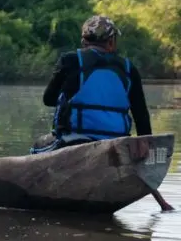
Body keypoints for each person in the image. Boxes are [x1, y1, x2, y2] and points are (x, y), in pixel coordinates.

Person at [31, 15, 152, 154]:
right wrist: (145, 141)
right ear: (111, 42)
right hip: (118, 139)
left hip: (74, 139)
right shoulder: (129, 68)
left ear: (84, 41)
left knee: (37, 146)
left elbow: (48, 99)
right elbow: (140, 113)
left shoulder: (70, 60)